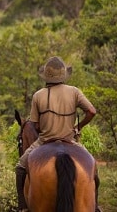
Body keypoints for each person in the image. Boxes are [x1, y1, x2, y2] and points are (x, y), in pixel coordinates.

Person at [15, 56, 100, 212]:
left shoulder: (38, 95)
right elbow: (92, 111)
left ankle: (23, 207)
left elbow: (35, 124)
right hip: (70, 140)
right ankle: (95, 206)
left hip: (43, 141)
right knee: (92, 165)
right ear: (64, 75)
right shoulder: (74, 92)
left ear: (46, 76)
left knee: (20, 167)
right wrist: (77, 127)